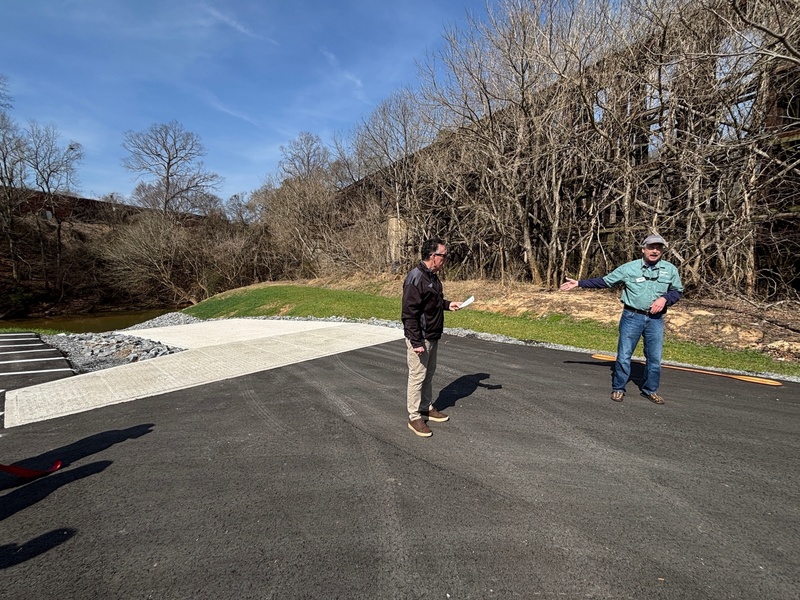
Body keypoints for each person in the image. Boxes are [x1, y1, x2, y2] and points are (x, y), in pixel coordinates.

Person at [559, 234, 683, 404]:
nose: (655, 251)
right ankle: (618, 388)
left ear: (662, 250)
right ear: (643, 249)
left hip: (655, 319)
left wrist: (665, 299)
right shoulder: (629, 268)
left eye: (658, 248)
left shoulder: (670, 269)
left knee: (654, 358)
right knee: (624, 355)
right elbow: (606, 281)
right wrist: (579, 283)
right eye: (651, 247)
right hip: (632, 317)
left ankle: (650, 390)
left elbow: (677, 291)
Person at [402, 238, 463, 437]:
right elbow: (409, 314)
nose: (445, 259)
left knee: (429, 374)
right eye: (443, 255)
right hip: (420, 337)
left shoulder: (433, 277)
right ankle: (414, 417)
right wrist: (416, 342)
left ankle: (425, 407)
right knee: (417, 377)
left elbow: (432, 302)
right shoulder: (416, 278)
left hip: (433, 335)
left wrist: (448, 304)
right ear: (432, 256)